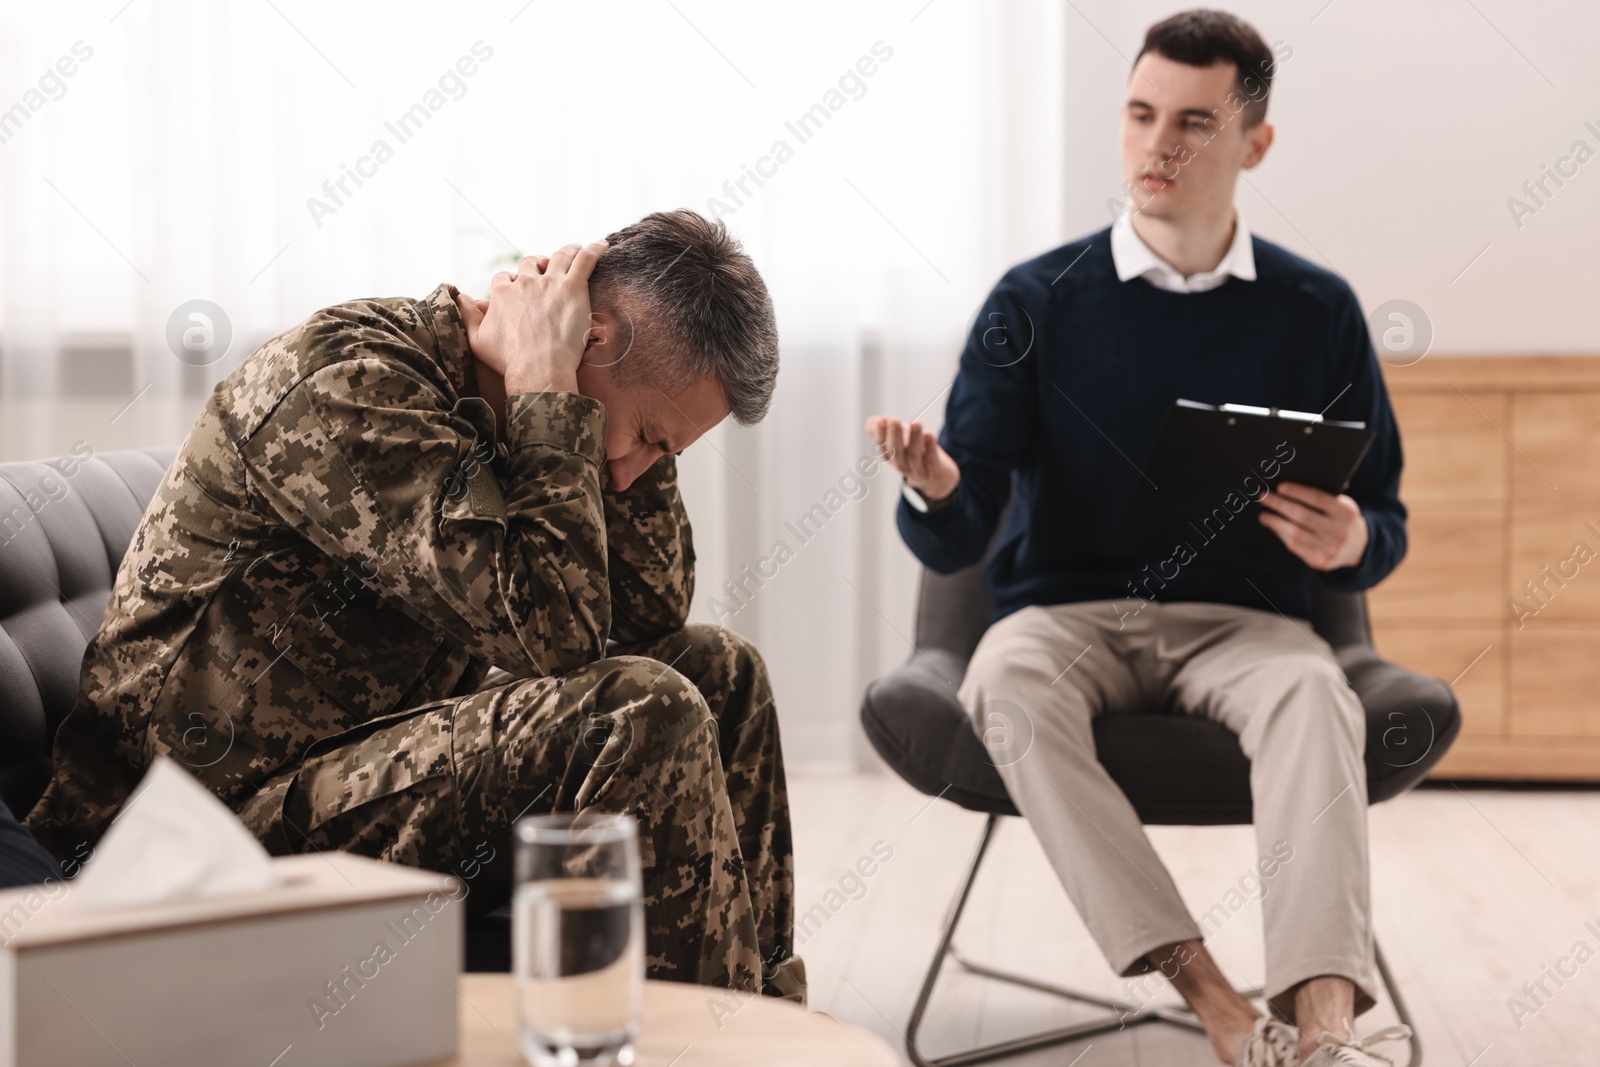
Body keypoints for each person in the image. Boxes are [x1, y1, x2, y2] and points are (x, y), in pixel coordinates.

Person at [26, 209, 802, 1000]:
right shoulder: (353, 379)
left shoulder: (525, 411)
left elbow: (648, 616)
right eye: (646, 434)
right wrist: (550, 393)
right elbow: (560, 639)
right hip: (190, 832)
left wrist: (602, 426)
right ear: (587, 337)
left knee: (720, 673)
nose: (632, 472)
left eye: (661, 452)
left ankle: (766, 1031)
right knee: (639, 712)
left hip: (330, 780)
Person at [868, 10, 1408, 1066]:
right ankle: (1212, 999)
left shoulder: (1317, 310)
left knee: (1313, 694)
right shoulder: (1031, 302)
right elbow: (961, 527)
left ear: (1254, 143)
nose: (1157, 143)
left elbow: (1380, 520)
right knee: (1007, 685)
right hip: (1066, 616)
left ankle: (1326, 1032)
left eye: (1194, 122)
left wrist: (1351, 538)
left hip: (1247, 622)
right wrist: (936, 487)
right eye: (1140, 113)